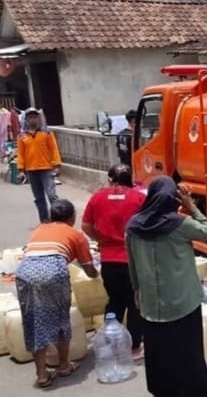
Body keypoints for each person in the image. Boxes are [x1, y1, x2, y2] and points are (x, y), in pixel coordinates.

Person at [126, 176, 207, 397]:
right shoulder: (179, 224)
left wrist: (137, 291)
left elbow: (132, 264)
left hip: (150, 306)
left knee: (159, 355)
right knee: (189, 354)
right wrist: (191, 206)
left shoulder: (133, 226)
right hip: (183, 303)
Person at [15, 199, 98, 388]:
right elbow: (89, 269)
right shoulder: (75, 234)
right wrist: (96, 276)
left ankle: (41, 374)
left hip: (25, 273)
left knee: (33, 320)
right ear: (72, 218)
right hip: (53, 272)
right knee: (61, 317)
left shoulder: (39, 229)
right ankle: (64, 365)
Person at [82, 164, 146, 359]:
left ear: (110, 179)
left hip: (109, 259)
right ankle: (134, 347)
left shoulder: (97, 197)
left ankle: (112, 342)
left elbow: (86, 225)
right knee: (135, 302)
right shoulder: (139, 198)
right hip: (133, 259)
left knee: (115, 301)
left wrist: (101, 240)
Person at [17, 107, 61, 223]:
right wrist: (21, 170)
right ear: (26, 120)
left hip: (46, 169)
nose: (33, 120)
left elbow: (54, 149)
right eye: (30, 117)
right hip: (31, 170)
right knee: (39, 198)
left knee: (52, 196)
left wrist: (57, 165)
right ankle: (44, 221)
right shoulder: (22, 136)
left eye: (35, 117)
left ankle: (58, 220)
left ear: (39, 119)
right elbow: (20, 154)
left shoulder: (47, 133)